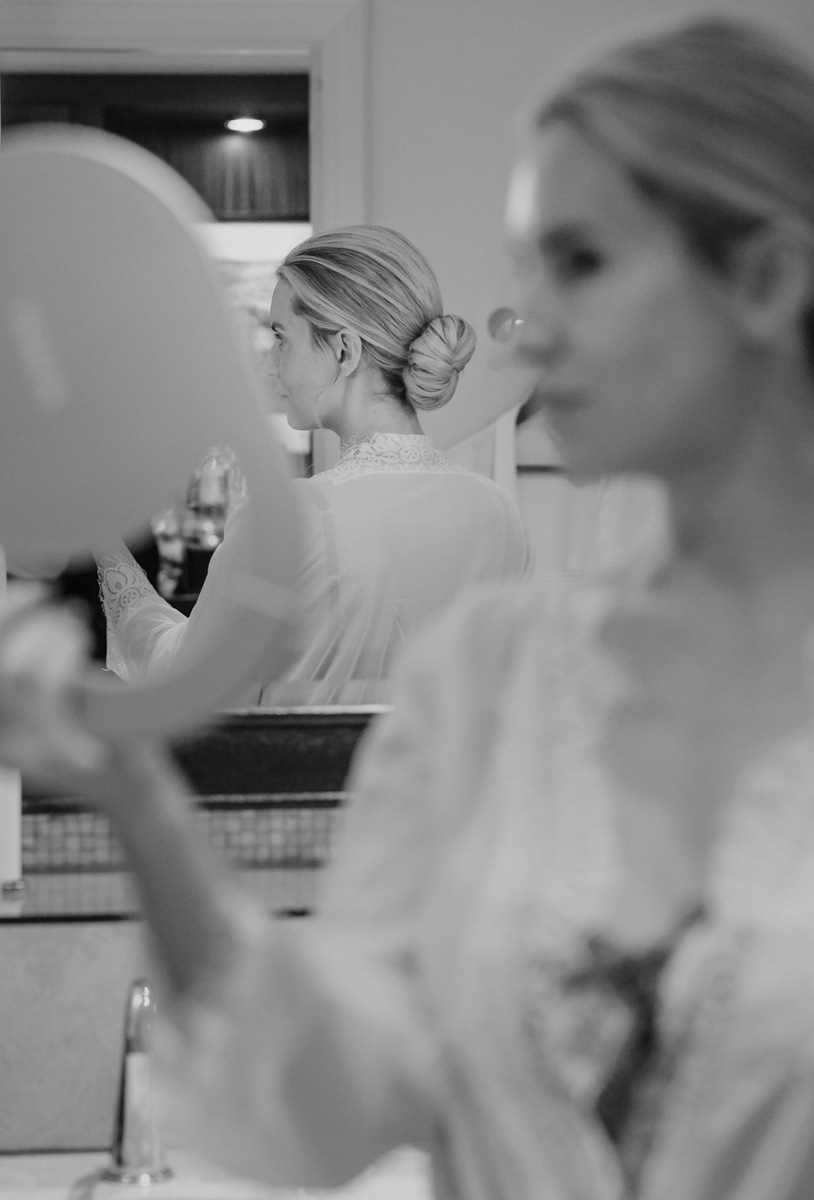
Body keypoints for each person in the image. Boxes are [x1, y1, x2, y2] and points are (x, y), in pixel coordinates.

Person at [3, 13, 814, 1199]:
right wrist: (133, 790)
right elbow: (318, 1117)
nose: (527, 327)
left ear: (762, 278)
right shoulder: (490, 676)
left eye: (580, 261)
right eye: (528, 268)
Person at [98, 225, 531, 706]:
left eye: (281, 338)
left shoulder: (290, 521)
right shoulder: (499, 511)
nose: (269, 366)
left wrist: (102, 543)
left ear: (344, 350)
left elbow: (187, 681)